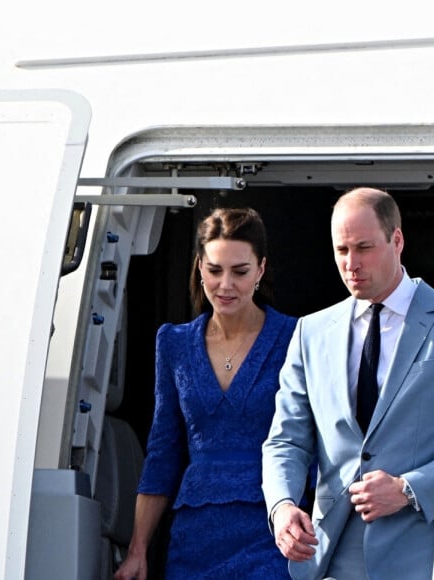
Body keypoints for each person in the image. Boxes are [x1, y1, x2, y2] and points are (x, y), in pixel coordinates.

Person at [262, 187, 434, 580]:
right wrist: (281, 508)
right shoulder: (309, 333)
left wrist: (408, 488)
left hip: (423, 556)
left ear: (397, 240)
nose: (351, 264)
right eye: (341, 250)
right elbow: (286, 440)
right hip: (326, 557)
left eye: (364, 248)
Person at [114, 207, 297, 580]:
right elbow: (164, 452)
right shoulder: (174, 344)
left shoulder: (296, 337)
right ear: (199, 267)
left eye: (240, 271)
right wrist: (138, 549)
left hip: (271, 529)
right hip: (196, 534)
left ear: (261, 269)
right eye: (214, 270)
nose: (225, 285)